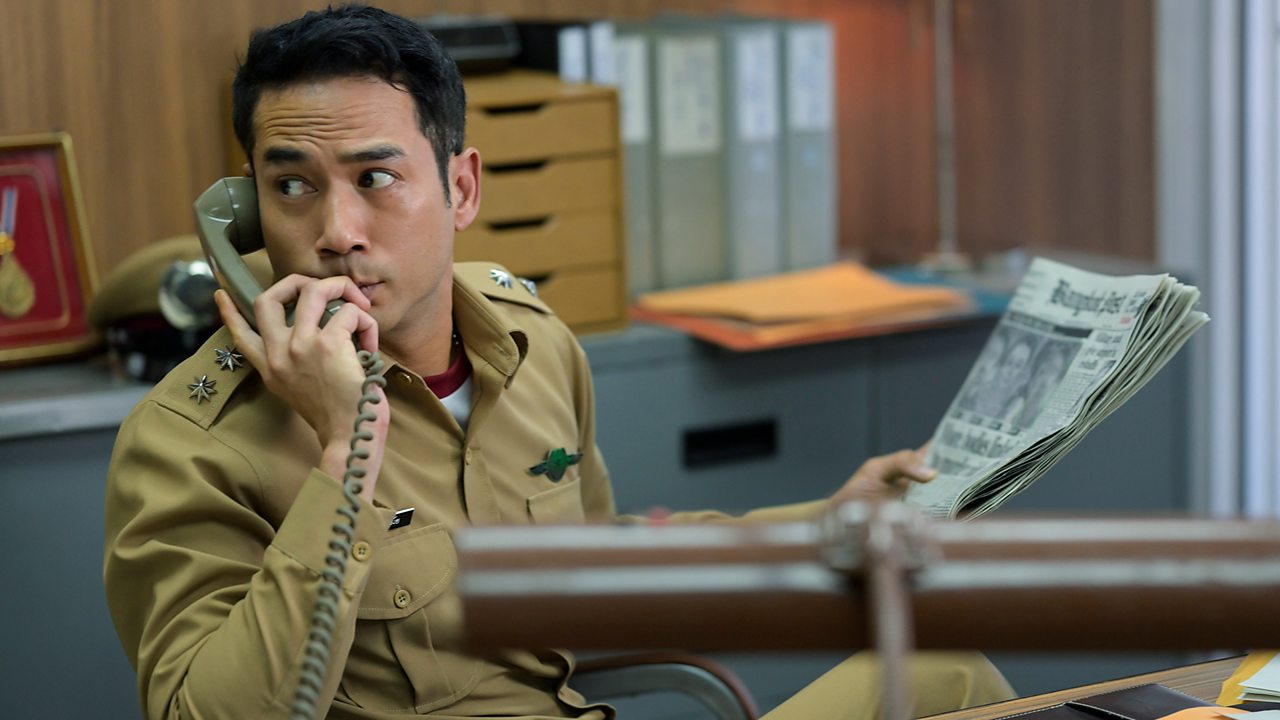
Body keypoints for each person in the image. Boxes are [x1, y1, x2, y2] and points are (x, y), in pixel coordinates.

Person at [102, 6, 1013, 719]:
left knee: (946, 672)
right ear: (248, 216)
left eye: (375, 178)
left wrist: (825, 526)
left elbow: (600, 572)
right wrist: (342, 452)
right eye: (292, 185)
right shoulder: (188, 443)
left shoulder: (528, 342)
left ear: (461, 188)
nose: (336, 231)